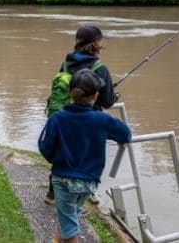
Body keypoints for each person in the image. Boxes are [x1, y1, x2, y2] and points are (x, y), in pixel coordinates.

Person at [38, 68, 131, 243]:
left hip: (63, 180)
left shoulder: (57, 118)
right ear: (95, 96)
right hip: (89, 182)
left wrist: (57, 160)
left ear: (70, 93)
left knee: (70, 229)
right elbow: (126, 134)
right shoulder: (102, 120)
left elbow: (44, 146)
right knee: (68, 216)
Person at [45, 25, 117, 205]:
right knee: (89, 157)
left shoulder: (67, 62)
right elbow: (107, 101)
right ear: (95, 44)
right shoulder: (100, 68)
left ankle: (52, 194)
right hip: (89, 121)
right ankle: (86, 194)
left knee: (64, 153)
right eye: (101, 39)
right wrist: (114, 95)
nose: (103, 42)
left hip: (67, 117)